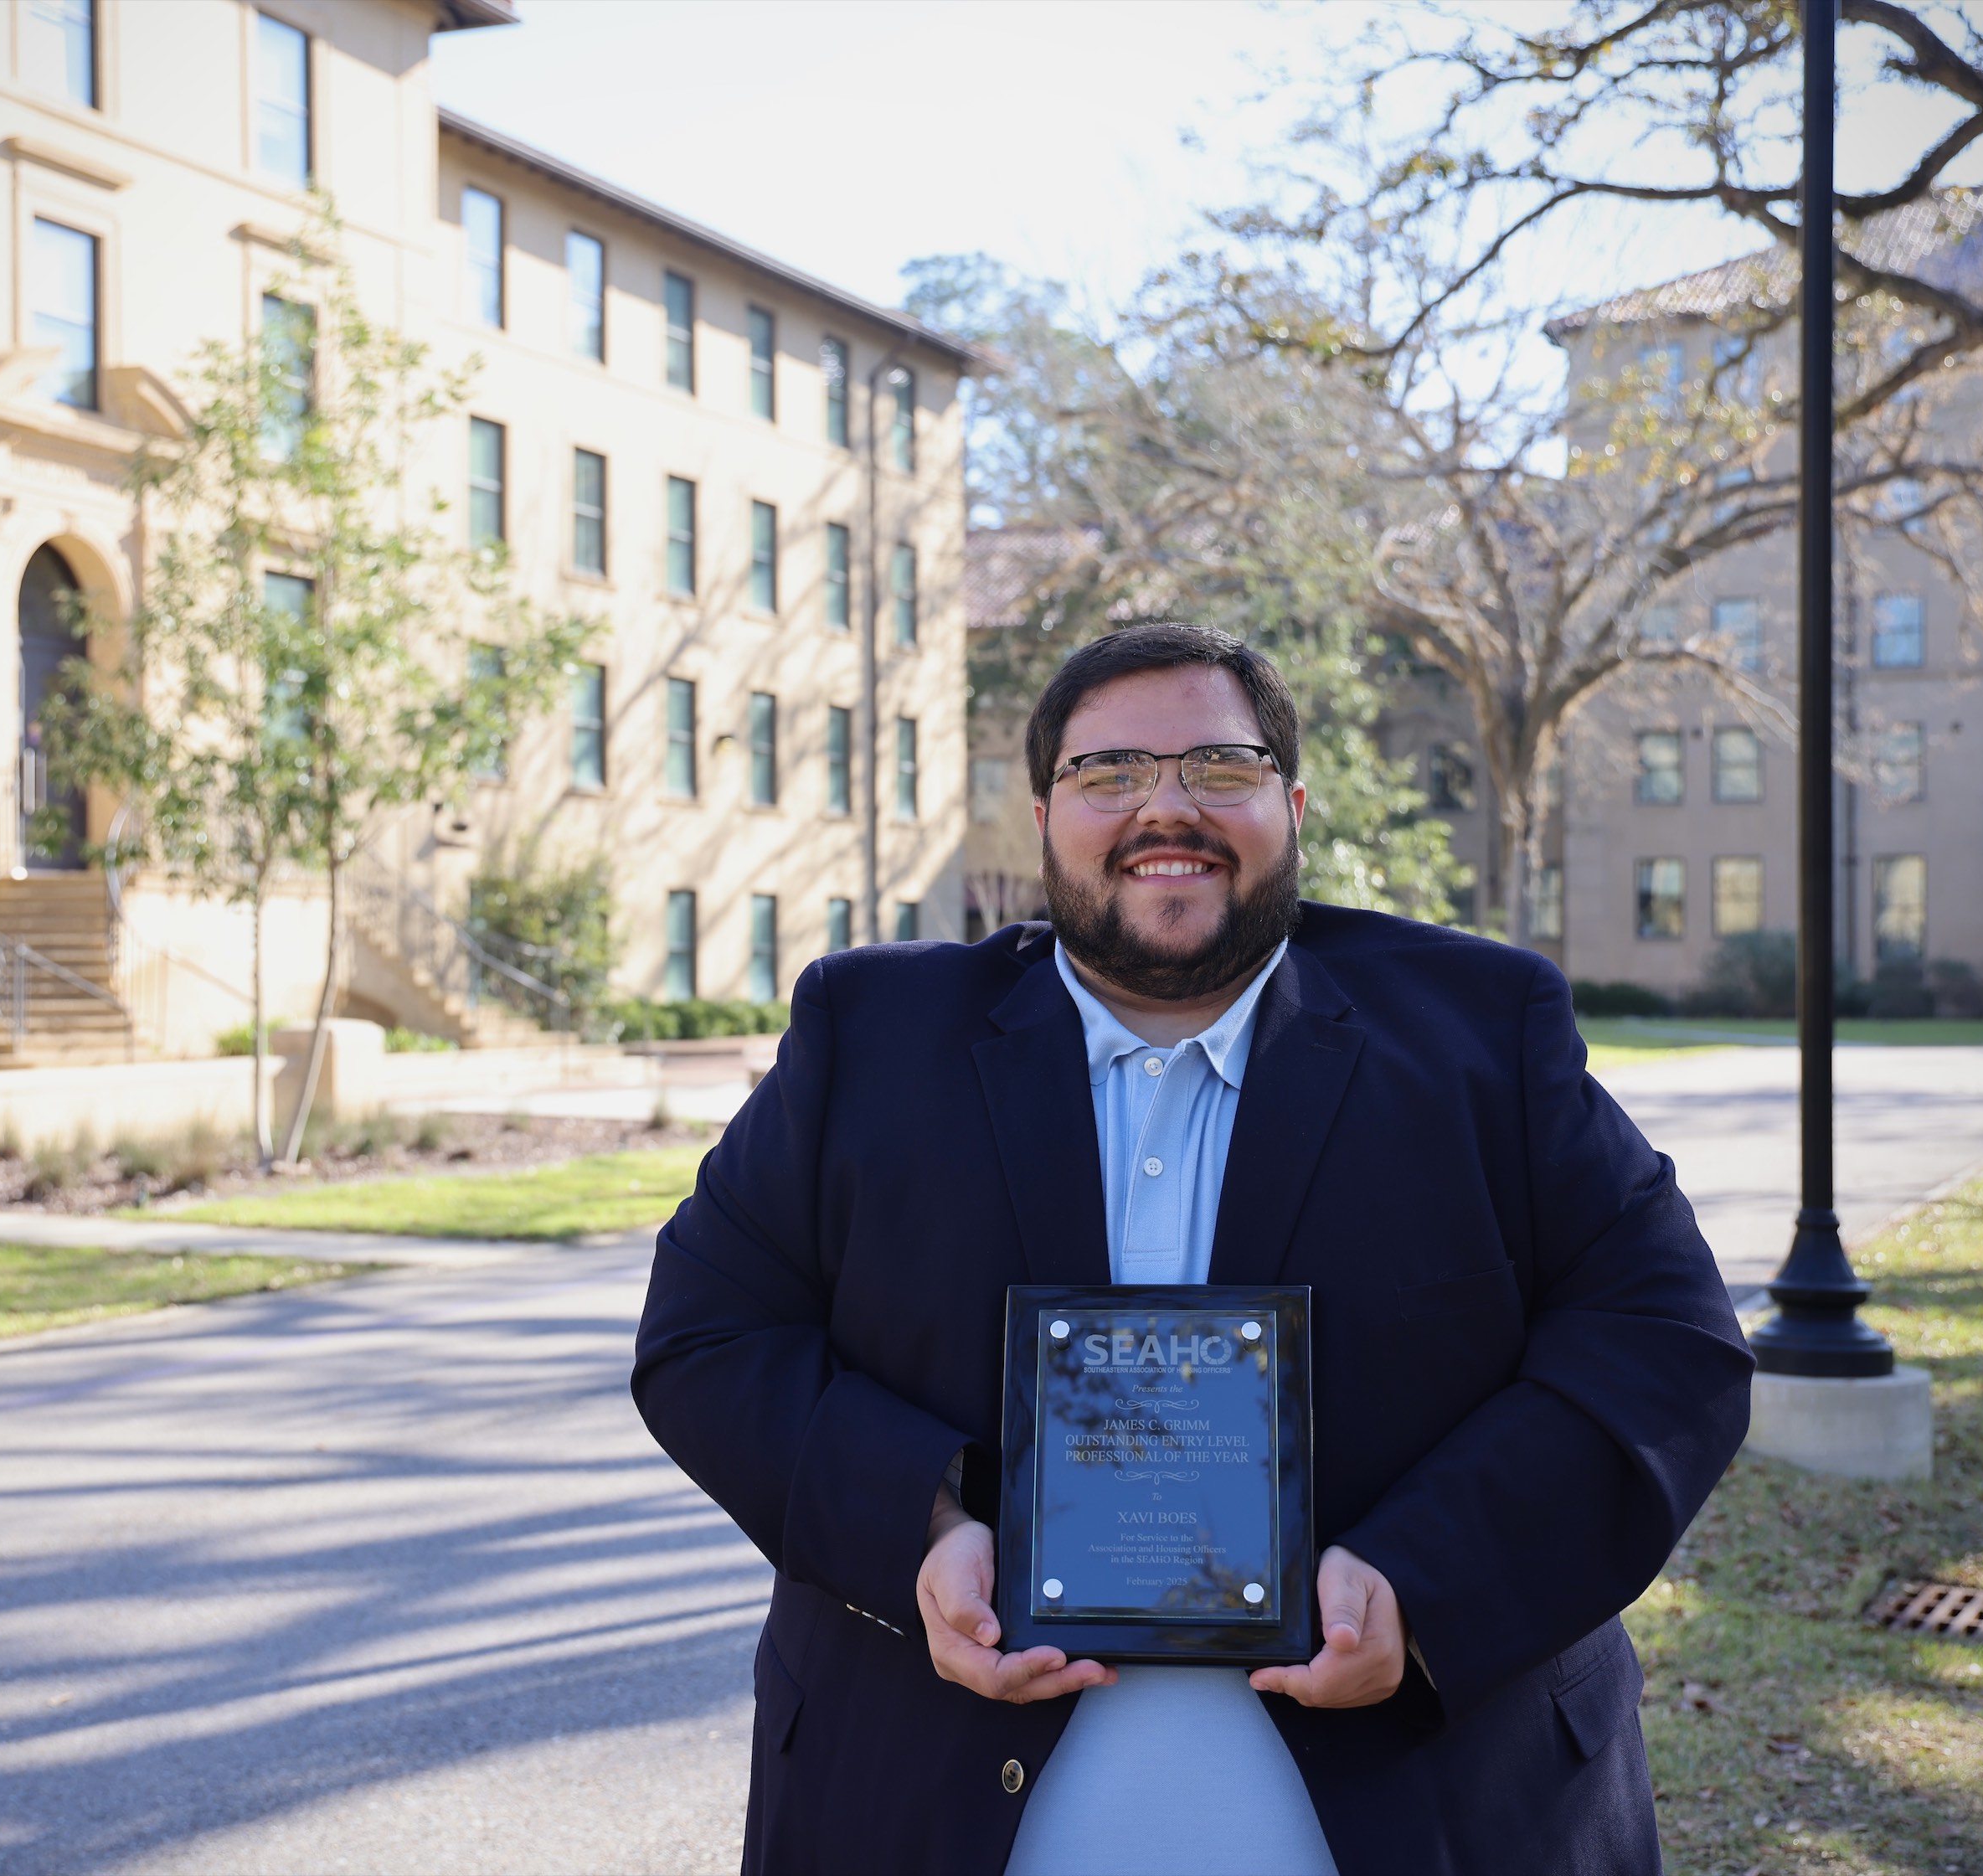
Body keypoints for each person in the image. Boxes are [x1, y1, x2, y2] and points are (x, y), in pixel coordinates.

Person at [633, 624, 1752, 1875]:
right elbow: (708, 1338)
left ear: (1292, 801)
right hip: (920, 1803)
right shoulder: (869, 1037)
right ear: (1045, 810)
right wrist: (926, 1527)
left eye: (1221, 766)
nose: (1167, 807)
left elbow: (1666, 1343)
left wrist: (1424, 1586)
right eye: (1110, 772)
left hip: (1441, 1815)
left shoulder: (1485, 1033)